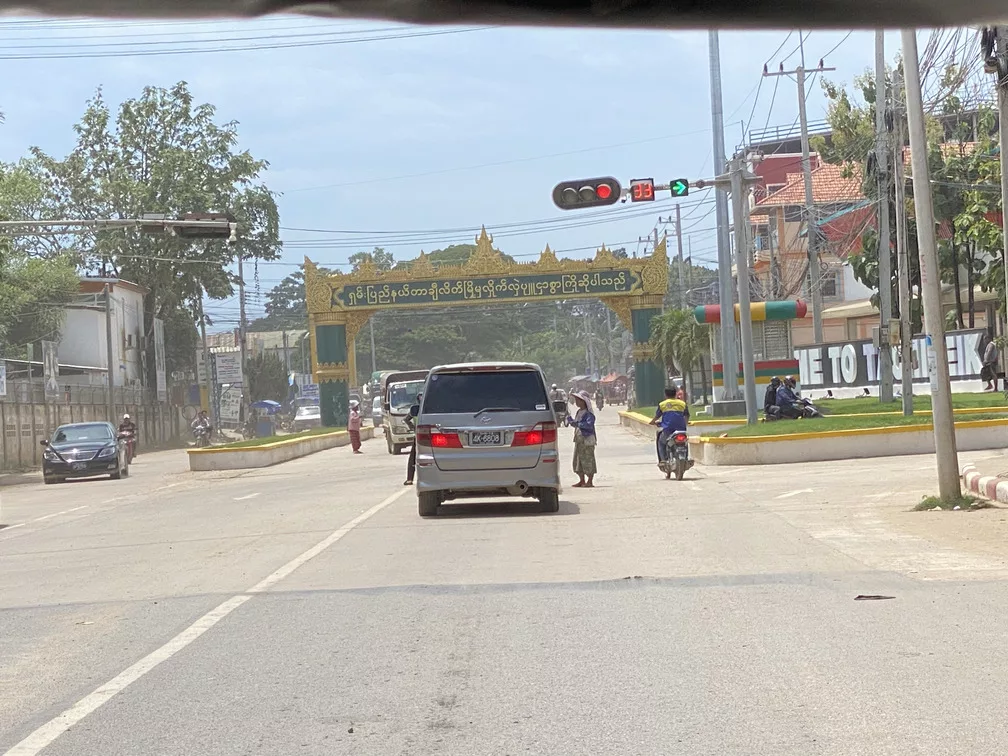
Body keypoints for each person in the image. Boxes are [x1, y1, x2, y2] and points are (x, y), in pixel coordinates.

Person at [565, 391, 597, 488]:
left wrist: (577, 424)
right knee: (578, 460)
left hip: (587, 440)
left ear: (584, 402)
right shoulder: (579, 412)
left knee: (588, 460)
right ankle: (582, 480)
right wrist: (571, 421)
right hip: (579, 440)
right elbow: (576, 423)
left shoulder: (589, 414)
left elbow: (588, 425)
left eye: (579, 400)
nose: (577, 402)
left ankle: (590, 481)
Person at [650, 388, 689, 464]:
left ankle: (663, 460)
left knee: (661, 442)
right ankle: (686, 458)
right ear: (675, 394)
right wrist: (685, 423)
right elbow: (687, 415)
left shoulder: (662, 404)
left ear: (665, 395)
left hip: (668, 430)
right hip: (681, 430)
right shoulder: (682, 404)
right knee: (685, 443)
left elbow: (657, 416)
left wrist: (652, 422)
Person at [404, 392, 421, 485]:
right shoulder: (415, 409)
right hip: (419, 436)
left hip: (422, 435)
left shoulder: (416, 409)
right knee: (413, 457)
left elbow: (406, 419)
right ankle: (410, 479)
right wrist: (413, 427)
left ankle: (409, 479)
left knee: (413, 457)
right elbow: (406, 419)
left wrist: (412, 427)